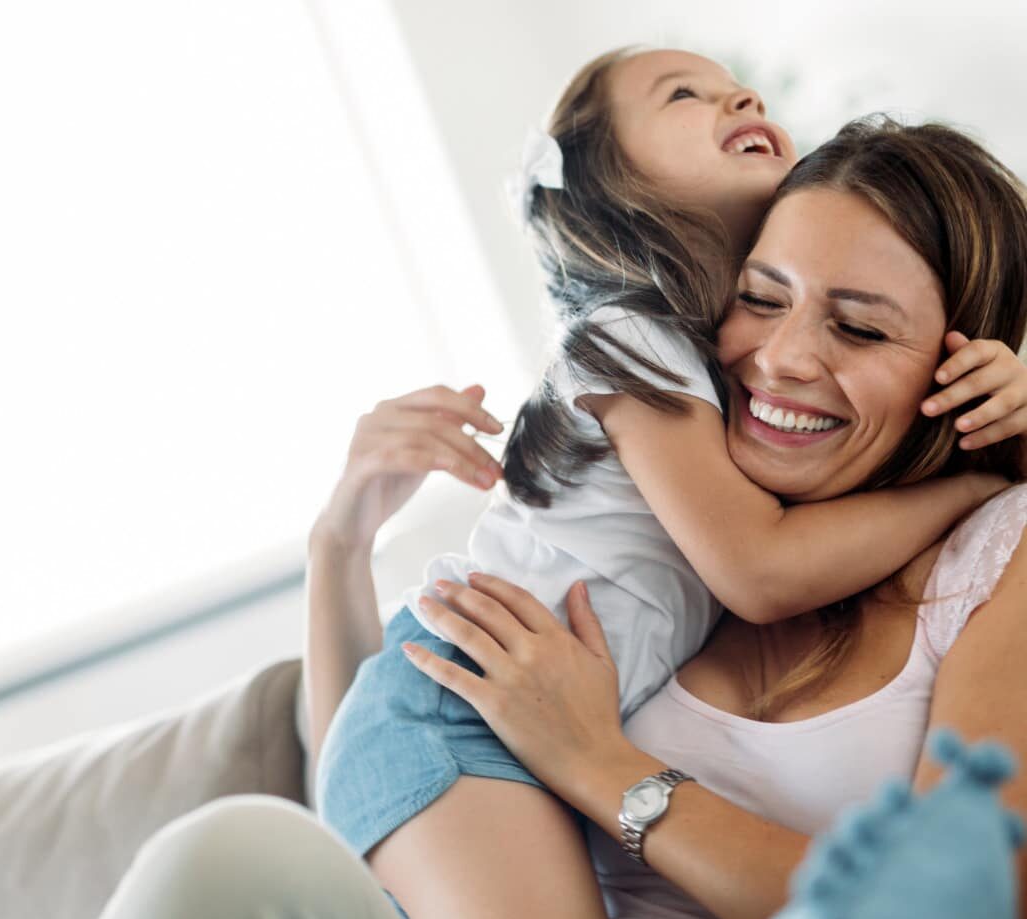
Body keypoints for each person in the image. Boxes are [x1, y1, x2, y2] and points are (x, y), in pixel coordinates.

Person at [97, 52, 1027, 919]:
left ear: (970, 364)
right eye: (760, 296)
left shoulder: (985, 554)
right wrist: (337, 543)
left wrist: (602, 764)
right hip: (431, 739)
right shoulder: (683, 443)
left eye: (860, 329)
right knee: (222, 857)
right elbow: (382, 763)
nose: (778, 359)